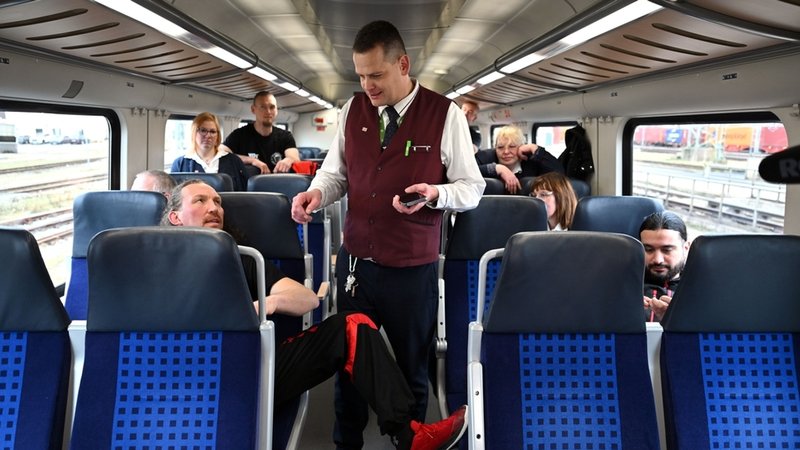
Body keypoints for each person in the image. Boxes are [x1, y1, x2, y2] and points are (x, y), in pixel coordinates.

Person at [290, 20, 484, 450]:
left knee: (412, 369)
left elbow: (472, 188)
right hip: (356, 266)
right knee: (349, 370)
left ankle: (410, 442)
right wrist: (316, 195)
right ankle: (347, 444)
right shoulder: (352, 110)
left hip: (411, 271)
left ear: (403, 64)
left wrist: (436, 194)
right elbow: (335, 174)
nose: (367, 85)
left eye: (376, 75)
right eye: (360, 75)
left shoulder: (444, 114)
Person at [163, 180, 469, 450]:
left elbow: (306, 298)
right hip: (178, 374)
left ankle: (408, 434)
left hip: (251, 369)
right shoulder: (151, 265)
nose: (214, 208)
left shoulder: (242, 258)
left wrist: (263, 304)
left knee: (352, 324)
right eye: (200, 200)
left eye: (217, 201)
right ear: (175, 217)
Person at [223, 91, 301, 174]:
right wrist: (252, 160)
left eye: (272, 107)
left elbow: (294, 158)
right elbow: (221, 154)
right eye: (263, 107)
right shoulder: (239, 135)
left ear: (276, 110)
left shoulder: (285, 136)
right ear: (253, 109)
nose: (268, 111)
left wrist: (288, 160)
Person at [170, 112, 248, 191]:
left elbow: (243, 193)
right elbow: (174, 195)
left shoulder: (234, 161)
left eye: (212, 132)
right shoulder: (180, 164)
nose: (208, 136)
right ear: (194, 132)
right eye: (203, 130)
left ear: (217, 136)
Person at [475, 125, 563, 194]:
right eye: (500, 147)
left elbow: (559, 173)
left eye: (512, 146)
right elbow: (469, 172)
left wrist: (535, 148)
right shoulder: (485, 157)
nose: (506, 152)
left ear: (522, 147)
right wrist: (497, 168)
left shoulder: (531, 161)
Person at [639, 211, 690, 322]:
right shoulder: (623, 286)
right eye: (648, 249)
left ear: (686, 249)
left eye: (667, 250)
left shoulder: (700, 289)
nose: (658, 260)